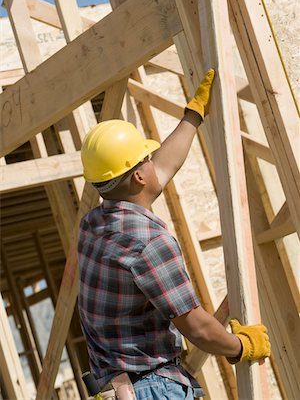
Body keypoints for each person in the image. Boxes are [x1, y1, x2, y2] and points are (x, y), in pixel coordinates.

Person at [78, 69, 271, 400]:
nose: (155, 162)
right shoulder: (148, 241)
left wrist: (192, 116)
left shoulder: (93, 225)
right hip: (152, 388)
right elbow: (195, 327)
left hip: (119, 386)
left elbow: (161, 169)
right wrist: (242, 346)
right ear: (139, 175)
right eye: (147, 158)